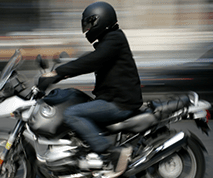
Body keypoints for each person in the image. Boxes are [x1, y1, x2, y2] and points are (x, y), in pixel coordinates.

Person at [36, 1, 142, 157]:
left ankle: (107, 152)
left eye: (89, 24)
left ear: (100, 20)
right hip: (115, 99)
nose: (87, 29)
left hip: (120, 103)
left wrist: (58, 73)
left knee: (72, 113)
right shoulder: (108, 41)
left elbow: (93, 61)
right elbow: (88, 60)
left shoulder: (114, 39)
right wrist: (61, 71)